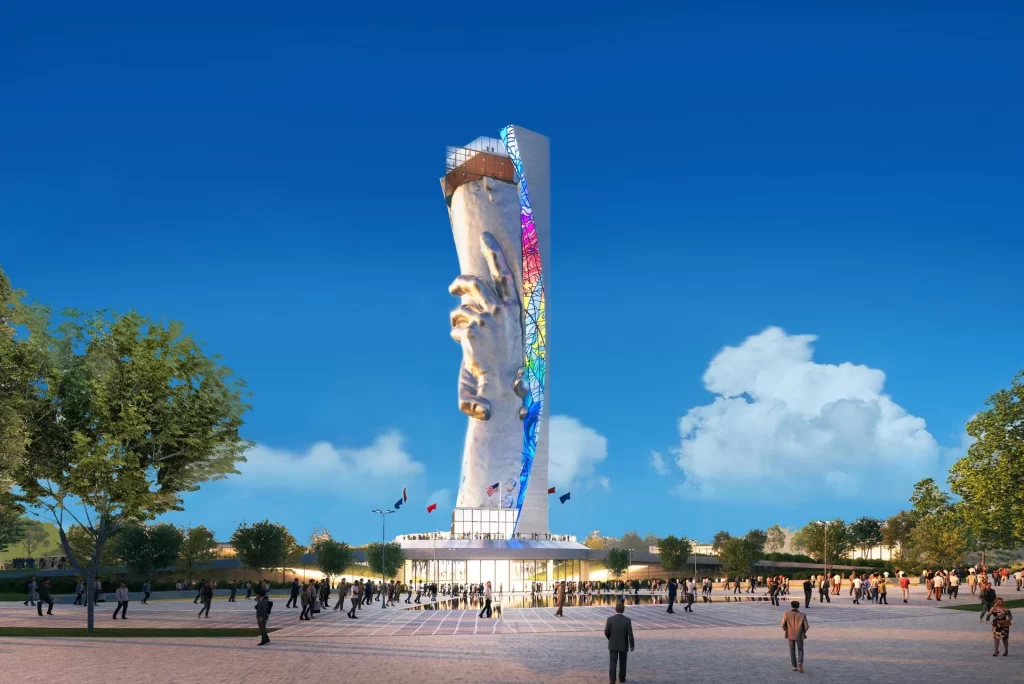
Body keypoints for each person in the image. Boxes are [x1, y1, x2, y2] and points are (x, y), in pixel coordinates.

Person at [604, 600, 634, 684]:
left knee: (612, 663)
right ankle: (622, 678)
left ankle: (612, 680)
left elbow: (606, 632)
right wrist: (632, 645)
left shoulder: (610, 619)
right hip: (623, 644)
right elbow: (630, 634)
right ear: (623, 610)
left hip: (613, 644)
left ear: (615, 609)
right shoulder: (627, 620)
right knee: (623, 662)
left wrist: (610, 638)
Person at [781, 600, 809, 673]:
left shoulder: (786, 614)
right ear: (798, 606)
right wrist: (803, 631)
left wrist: (786, 630)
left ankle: (794, 666)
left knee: (792, 650)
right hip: (799, 634)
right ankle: (800, 663)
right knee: (800, 649)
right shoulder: (803, 615)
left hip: (790, 634)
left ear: (791, 606)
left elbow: (783, 625)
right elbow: (806, 626)